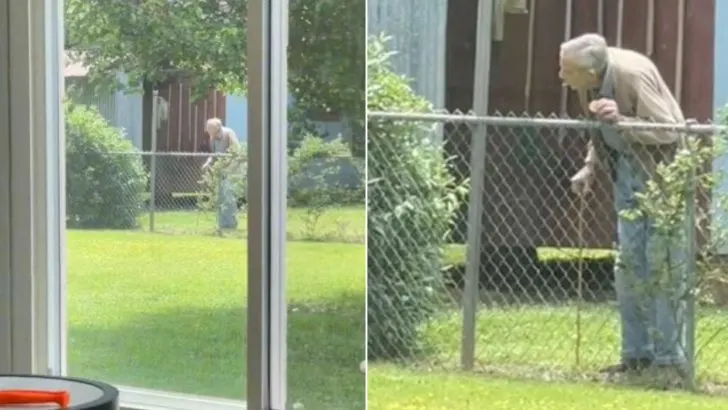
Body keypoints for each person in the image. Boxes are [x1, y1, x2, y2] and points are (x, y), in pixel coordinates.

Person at [559, 33, 687, 378]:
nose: (561, 76)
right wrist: (590, 164)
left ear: (589, 71)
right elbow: (599, 127)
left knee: (662, 269)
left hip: (661, 178)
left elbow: (670, 131)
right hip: (625, 173)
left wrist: (623, 121)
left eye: (566, 70)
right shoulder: (589, 79)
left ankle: (670, 362)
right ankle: (637, 357)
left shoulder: (631, 75)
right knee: (628, 268)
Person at [203, 118, 240, 230]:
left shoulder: (228, 133)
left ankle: (231, 223)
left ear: (217, 128)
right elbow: (213, 154)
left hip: (232, 170)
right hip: (221, 170)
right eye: (208, 129)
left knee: (228, 197)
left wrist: (228, 166)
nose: (208, 131)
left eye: (210, 129)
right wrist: (208, 162)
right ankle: (223, 224)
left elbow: (236, 151)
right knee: (221, 197)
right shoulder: (212, 138)